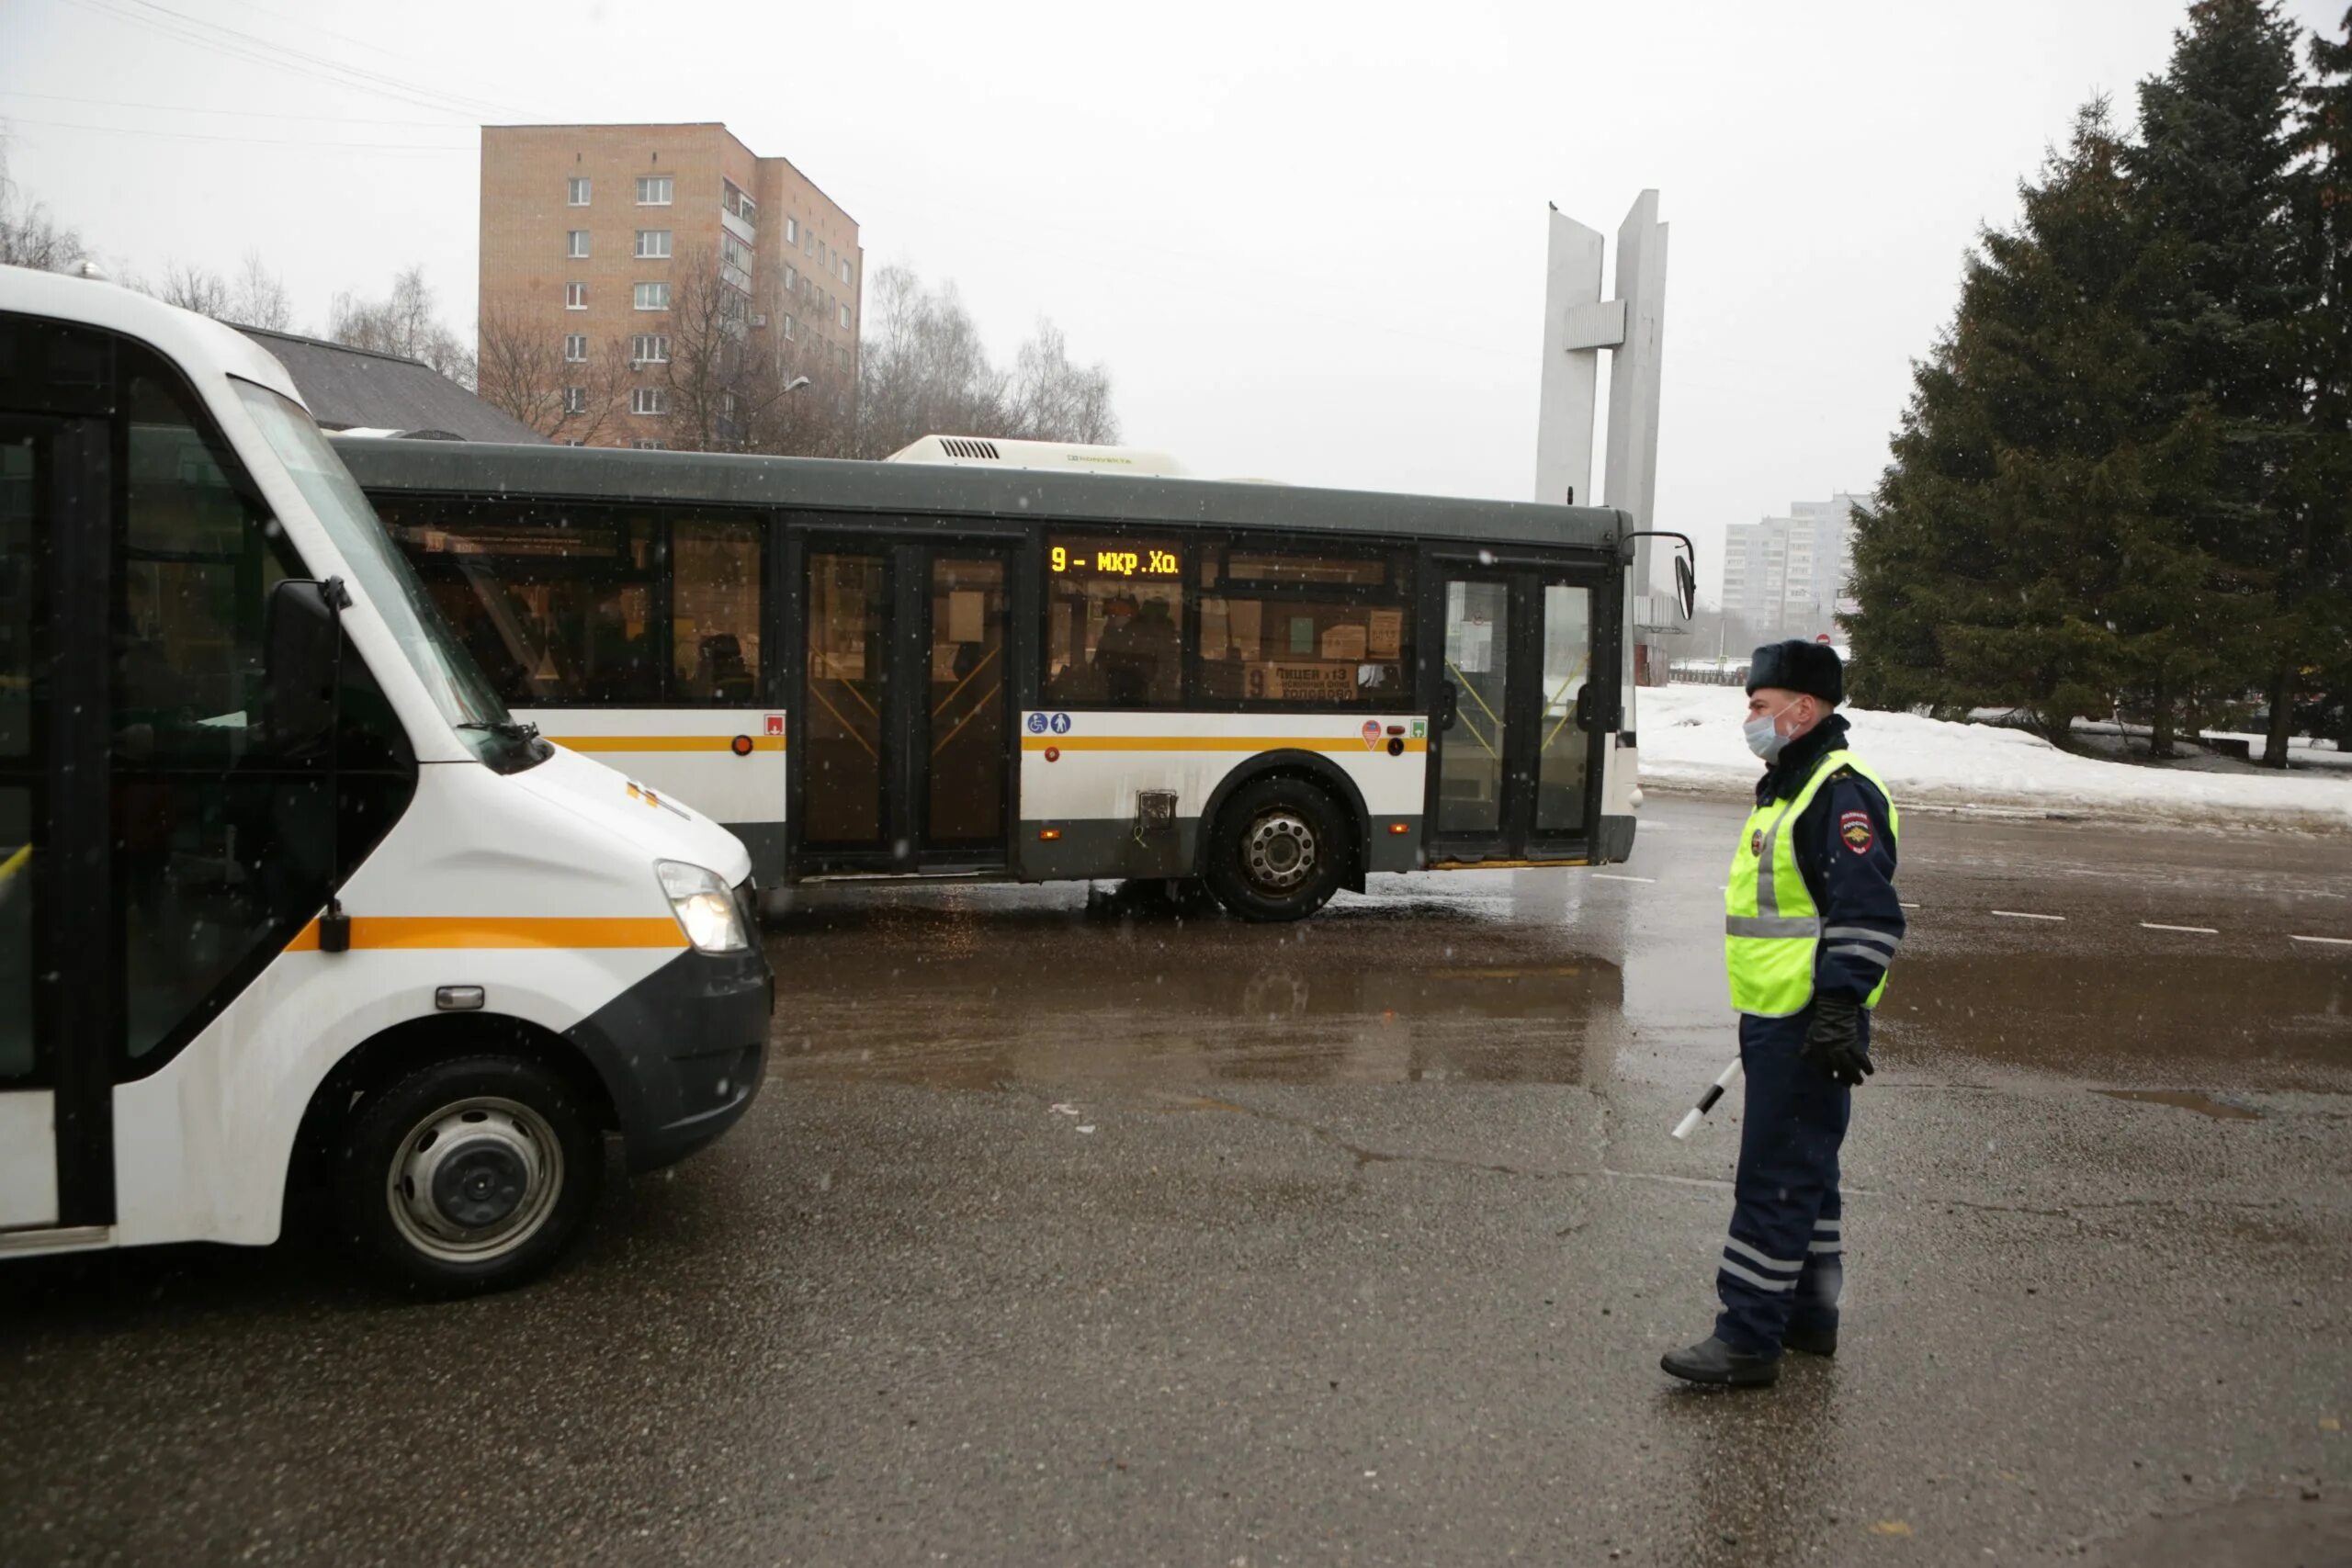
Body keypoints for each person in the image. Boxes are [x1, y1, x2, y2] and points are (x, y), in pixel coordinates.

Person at [1662, 639, 1904, 1387]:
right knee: (1807, 1173)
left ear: (1803, 710)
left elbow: (1865, 911)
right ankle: (1807, 1316)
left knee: (1774, 1176)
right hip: (1780, 1015)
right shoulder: (1790, 785)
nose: (1751, 719)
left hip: (1807, 1019)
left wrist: (1837, 1007)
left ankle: (1747, 1337)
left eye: (1761, 707)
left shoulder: (1839, 791)